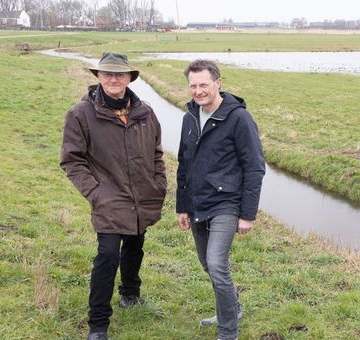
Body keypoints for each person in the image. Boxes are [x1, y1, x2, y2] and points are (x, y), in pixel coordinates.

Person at [60, 52, 167, 340]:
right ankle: (98, 325)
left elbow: (157, 153)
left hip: (142, 198)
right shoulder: (80, 114)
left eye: (119, 74)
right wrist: (96, 193)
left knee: (134, 247)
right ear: (97, 77)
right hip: (108, 200)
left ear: (130, 78)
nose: (113, 79)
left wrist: (158, 184)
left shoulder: (145, 112)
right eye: (107, 74)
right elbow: (72, 160)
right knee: (107, 257)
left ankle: (130, 294)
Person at [176, 59, 265, 340]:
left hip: (226, 203)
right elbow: (184, 163)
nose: (198, 90)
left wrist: (247, 214)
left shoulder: (238, 118)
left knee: (216, 262)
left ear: (218, 83)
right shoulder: (189, 117)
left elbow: (254, 167)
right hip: (197, 202)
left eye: (204, 84)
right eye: (193, 85)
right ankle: (232, 307)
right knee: (206, 263)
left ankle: (228, 332)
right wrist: (182, 205)